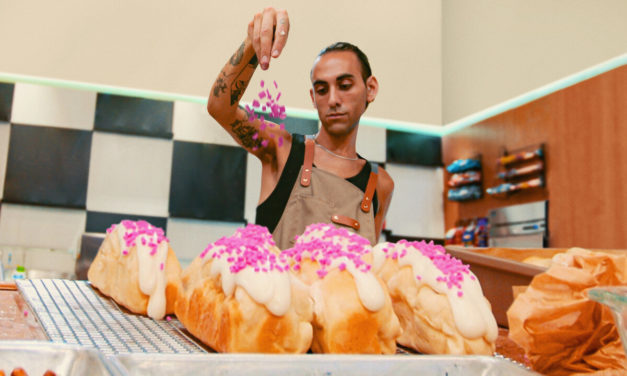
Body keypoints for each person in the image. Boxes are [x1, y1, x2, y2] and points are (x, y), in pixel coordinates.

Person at [207, 7, 394, 249]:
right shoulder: (282, 150)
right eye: (322, 90)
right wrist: (253, 46)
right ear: (313, 98)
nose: (334, 99)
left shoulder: (380, 184)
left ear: (370, 89)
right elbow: (220, 108)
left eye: (345, 85)